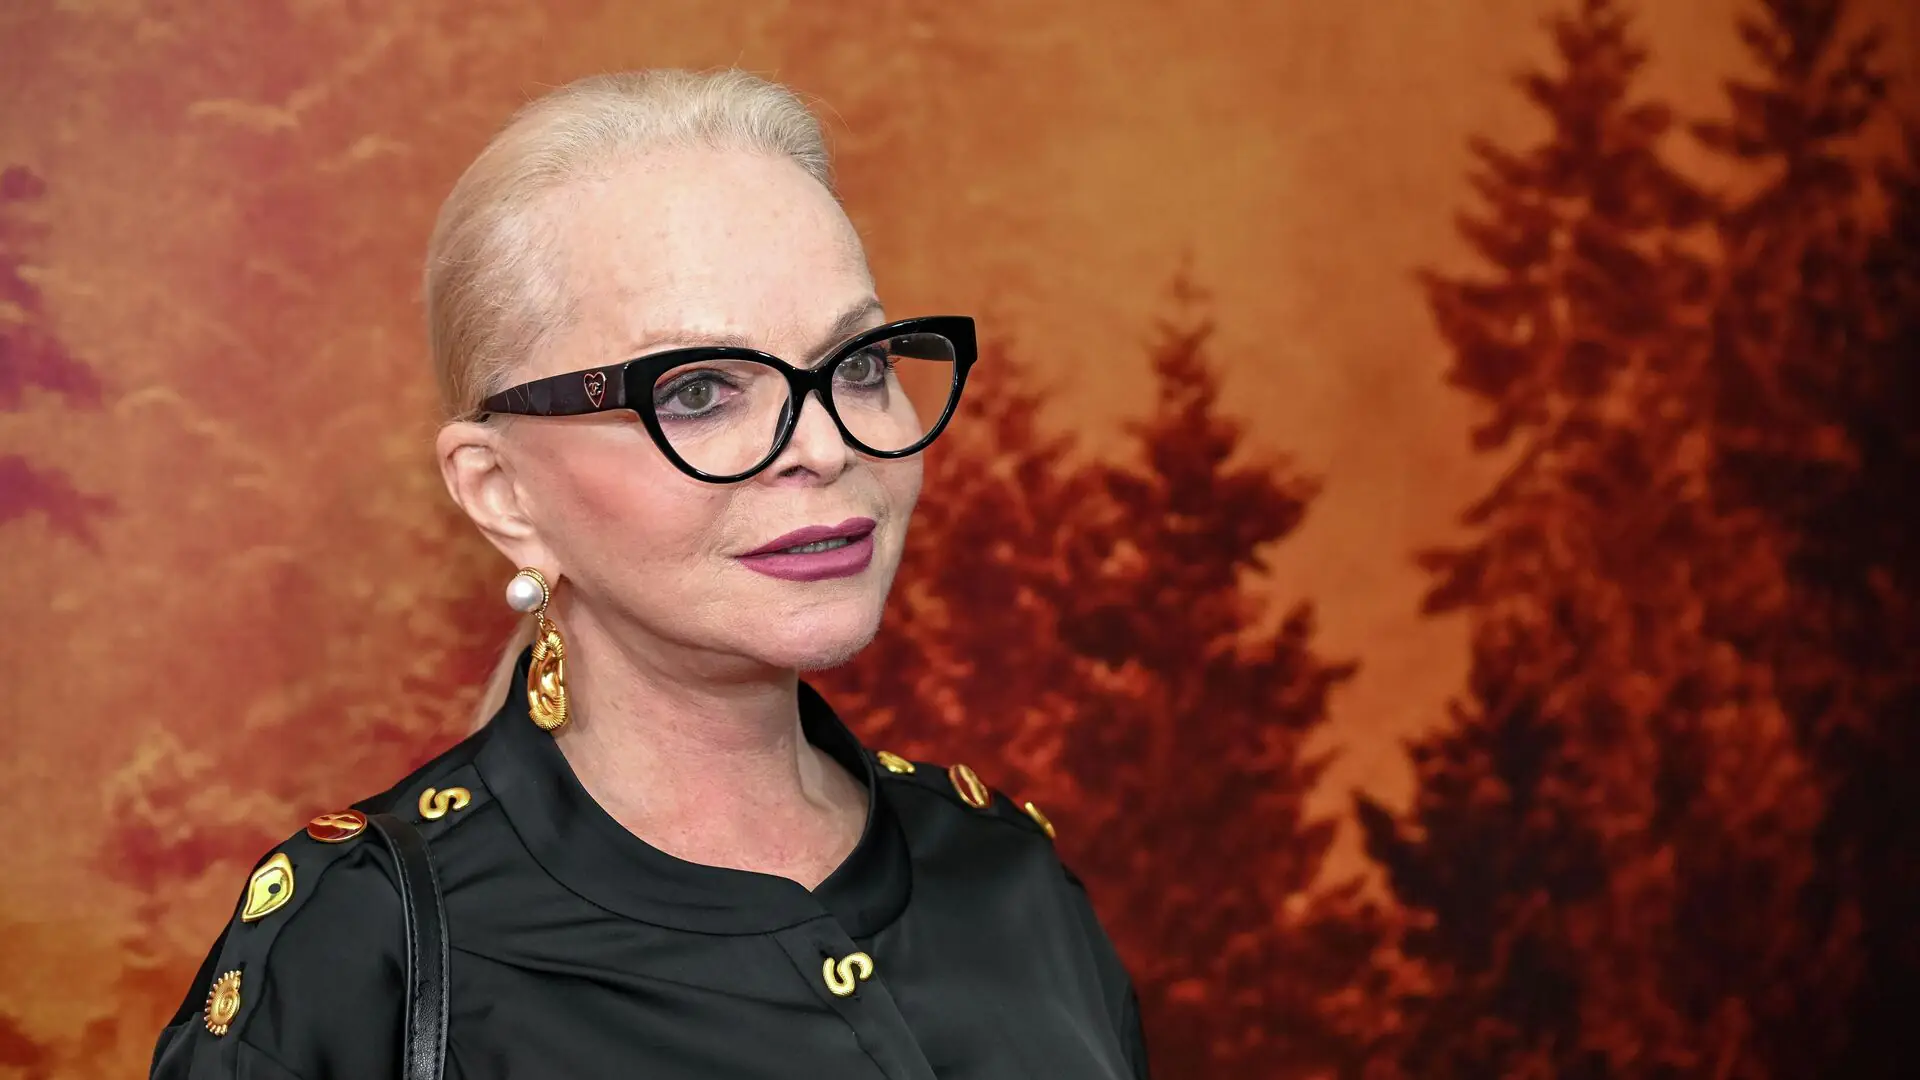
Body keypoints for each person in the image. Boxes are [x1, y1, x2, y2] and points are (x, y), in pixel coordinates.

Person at [150, 68, 1149, 1080]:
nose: (824, 446)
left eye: (857, 365)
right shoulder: (364, 946)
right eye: (700, 391)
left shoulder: (1009, 874)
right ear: (502, 492)